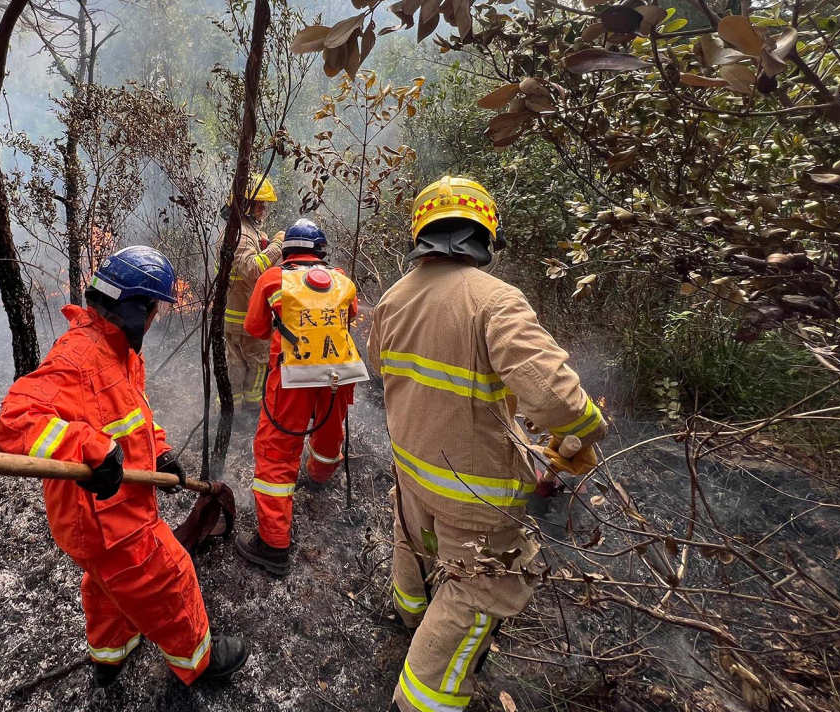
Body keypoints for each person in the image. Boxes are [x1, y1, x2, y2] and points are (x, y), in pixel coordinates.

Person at [369, 176, 608, 712]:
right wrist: (590, 426)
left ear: (422, 232)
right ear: (483, 235)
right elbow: (558, 400)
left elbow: (382, 372)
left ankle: (410, 615)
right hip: (476, 497)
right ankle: (421, 700)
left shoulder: (392, 298)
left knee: (411, 541)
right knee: (479, 593)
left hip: (411, 472)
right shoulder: (494, 300)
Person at [0, 246, 250, 687]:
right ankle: (199, 661)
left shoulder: (117, 353)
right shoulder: (78, 358)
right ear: (137, 308)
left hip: (96, 522)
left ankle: (110, 657)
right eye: (154, 309)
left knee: (106, 585)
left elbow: (133, 419)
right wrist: (88, 448)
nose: (155, 319)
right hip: (107, 522)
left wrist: (161, 451)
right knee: (170, 577)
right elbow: (15, 420)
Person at [233, 218, 367, 576]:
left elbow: (256, 329)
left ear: (288, 250)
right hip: (339, 376)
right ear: (321, 252)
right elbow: (349, 316)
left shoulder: (273, 279)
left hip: (292, 379)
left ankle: (273, 546)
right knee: (329, 433)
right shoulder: (342, 280)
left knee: (276, 454)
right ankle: (319, 477)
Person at [218, 175, 284, 412]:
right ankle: (252, 408)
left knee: (234, 365)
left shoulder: (240, 231)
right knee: (256, 363)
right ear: (245, 204)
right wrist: (277, 246)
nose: (264, 209)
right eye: (259, 204)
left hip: (235, 316)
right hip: (248, 317)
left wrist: (264, 243)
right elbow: (252, 270)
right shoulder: (242, 234)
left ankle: (229, 413)